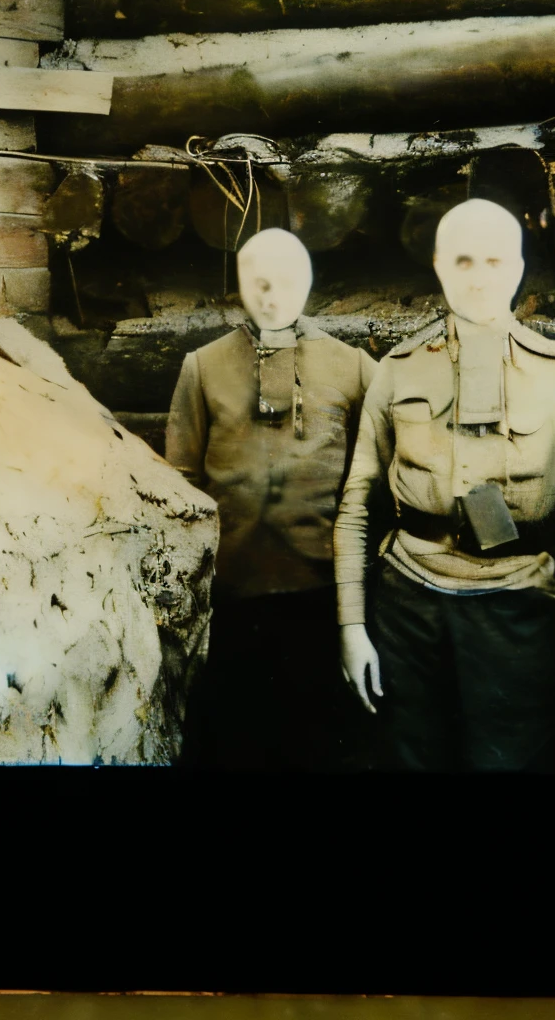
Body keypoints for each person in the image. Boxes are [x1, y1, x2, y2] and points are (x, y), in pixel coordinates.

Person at [334, 197, 555, 771]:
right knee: (408, 756)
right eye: (463, 261)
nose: (479, 279)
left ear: (520, 268)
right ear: (438, 266)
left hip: (515, 603)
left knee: (509, 758)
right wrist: (353, 627)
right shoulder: (396, 371)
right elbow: (357, 504)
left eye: (496, 262)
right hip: (407, 603)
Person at [166, 228, 381, 770]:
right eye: (257, 282)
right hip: (235, 599)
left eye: (285, 281)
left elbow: (381, 464)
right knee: (240, 739)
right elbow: (181, 479)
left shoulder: (352, 367)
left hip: (322, 595)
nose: (271, 295)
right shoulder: (203, 365)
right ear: (239, 284)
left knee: (317, 739)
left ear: (309, 281)